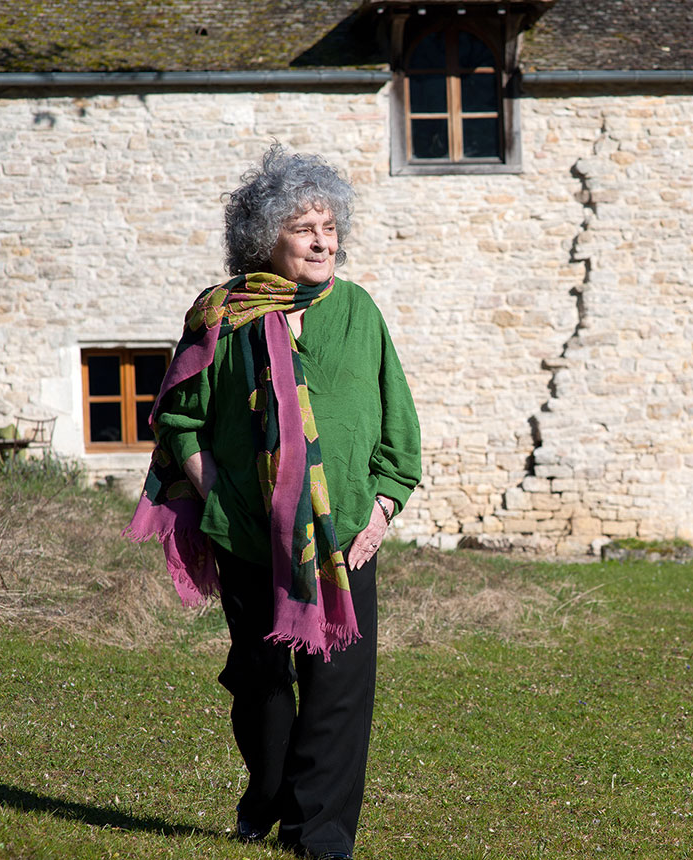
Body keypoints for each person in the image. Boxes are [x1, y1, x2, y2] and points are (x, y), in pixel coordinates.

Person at [125, 144, 421, 860]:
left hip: (345, 535)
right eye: (303, 229)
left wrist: (383, 509)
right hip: (249, 533)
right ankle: (267, 794)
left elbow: (397, 424)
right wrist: (216, 493)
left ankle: (320, 835)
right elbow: (180, 417)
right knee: (261, 683)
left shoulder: (357, 310)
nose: (322, 242)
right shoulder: (222, 317)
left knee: (339, 687)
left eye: (329, 227)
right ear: (266, 240)